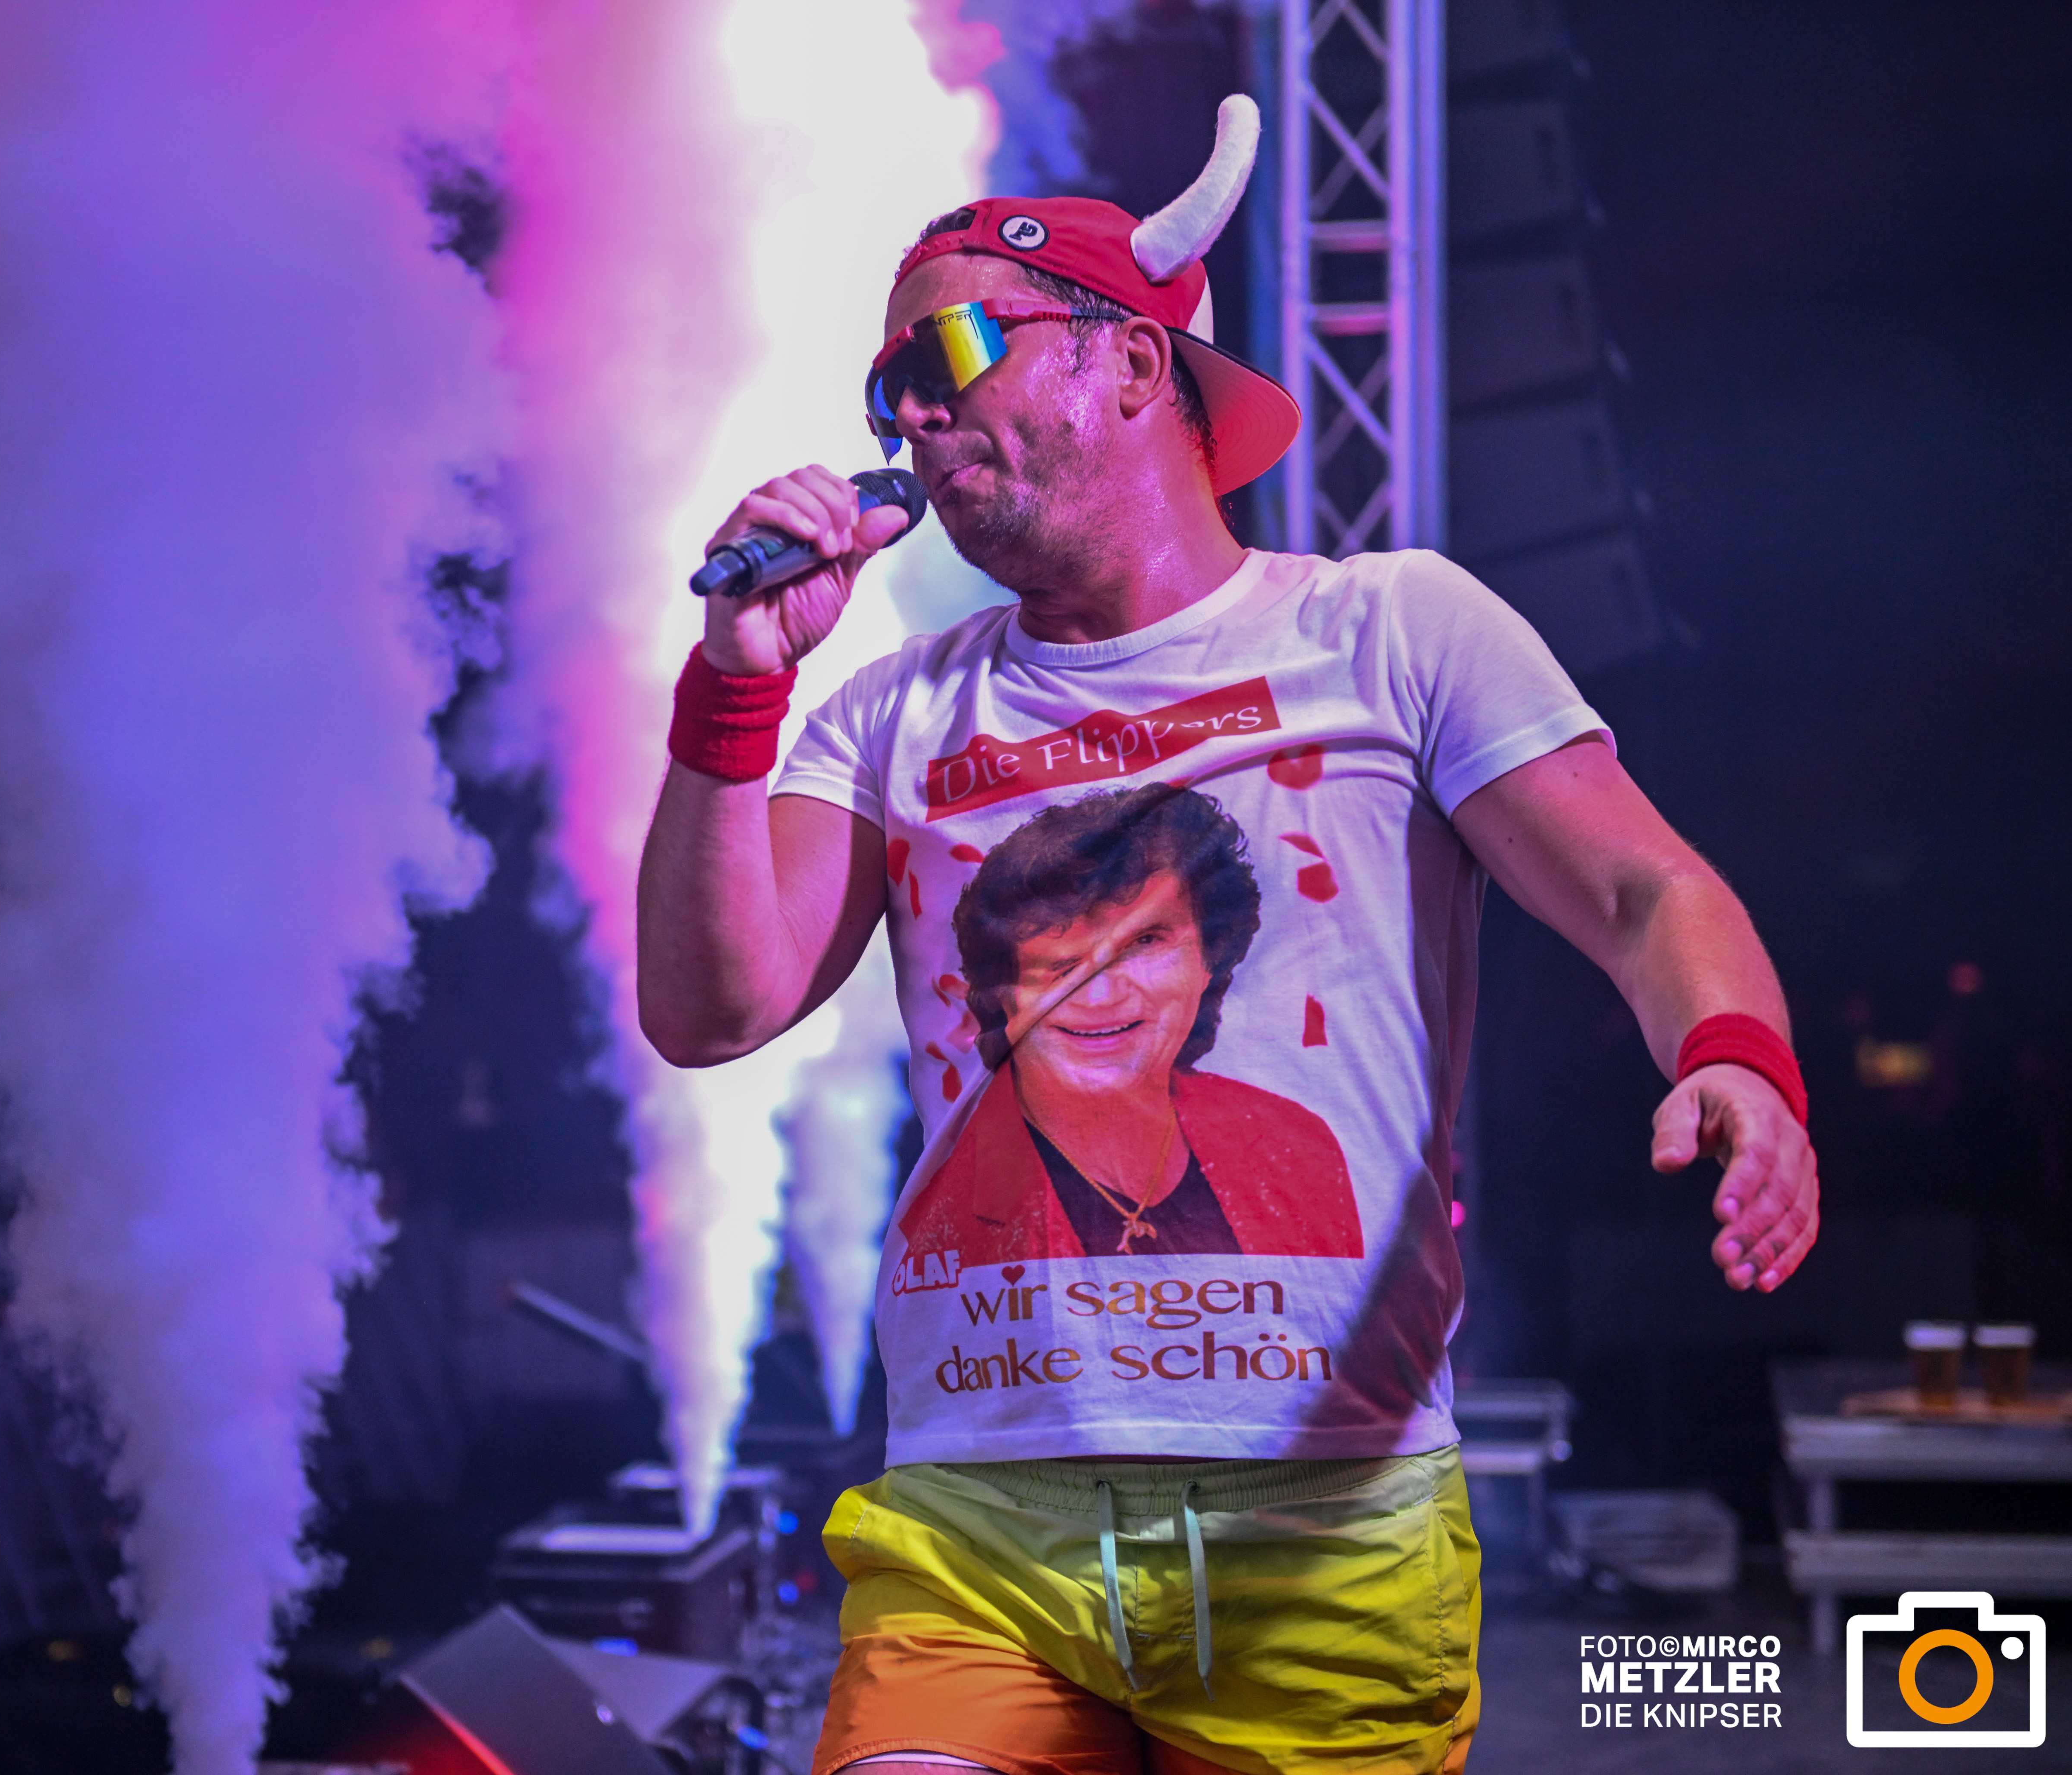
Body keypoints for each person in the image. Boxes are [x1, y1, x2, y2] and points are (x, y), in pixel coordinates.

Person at [636, 96, 1817, 1775]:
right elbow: (710, 1006)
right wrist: (736, 686)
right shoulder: (889, 716)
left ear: (1131, 360)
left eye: (950, 350)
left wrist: (1736, 1057)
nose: (914, 409)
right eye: (888, 386)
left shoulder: (1391, 630)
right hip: (979, 1528)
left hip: (1322, 1531)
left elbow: (1647, 893)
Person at [907, 782, 1361, 1266]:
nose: (1101, 997)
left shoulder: (1294, 1145)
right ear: (1003, 994)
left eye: (1144, 942)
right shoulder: (952, 1192)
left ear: (1210, 959)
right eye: (1061, 965)